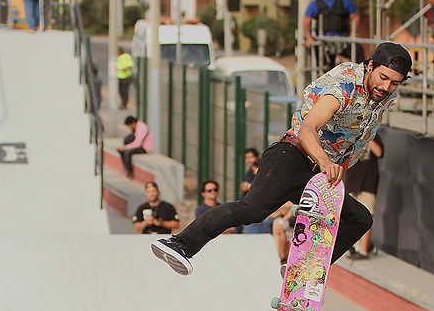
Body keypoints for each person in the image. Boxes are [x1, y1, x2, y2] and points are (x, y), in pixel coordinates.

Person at [151, 42, 411, 276]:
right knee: (253, 210)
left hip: (316, 175)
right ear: (370, 66)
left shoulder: (385, 96)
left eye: (395, 83)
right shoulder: (344, 87)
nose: (386, 87)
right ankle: (179, 243)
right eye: (383, 78)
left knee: (360, 218)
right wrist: (325, 162)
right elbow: (308, 129)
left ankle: (305, 267)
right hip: (291, 157)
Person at [303, 0, 360, 69]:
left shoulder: (344, 0)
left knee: (358, 52)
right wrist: (308, 37)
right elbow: (306, 21)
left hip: (343, 38)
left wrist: (352, 33)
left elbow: (355, 17)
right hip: (324, 40)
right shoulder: (315, 4)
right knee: (324, 65)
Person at [344, 134, 383, 258]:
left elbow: (379, 152)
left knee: (366, 214)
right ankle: (355, 246)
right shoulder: (351, 135)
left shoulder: (374, 136)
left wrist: (368, 137)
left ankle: (363, 250)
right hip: (352, 182)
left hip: (367, 183)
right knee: (351, 216)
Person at [240, 146, 274, 234]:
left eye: (251, 157)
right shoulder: (249, 172)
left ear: (256, 157)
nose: (249, 160)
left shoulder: (262, 170)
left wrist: (249, 186)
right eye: (247, 158)